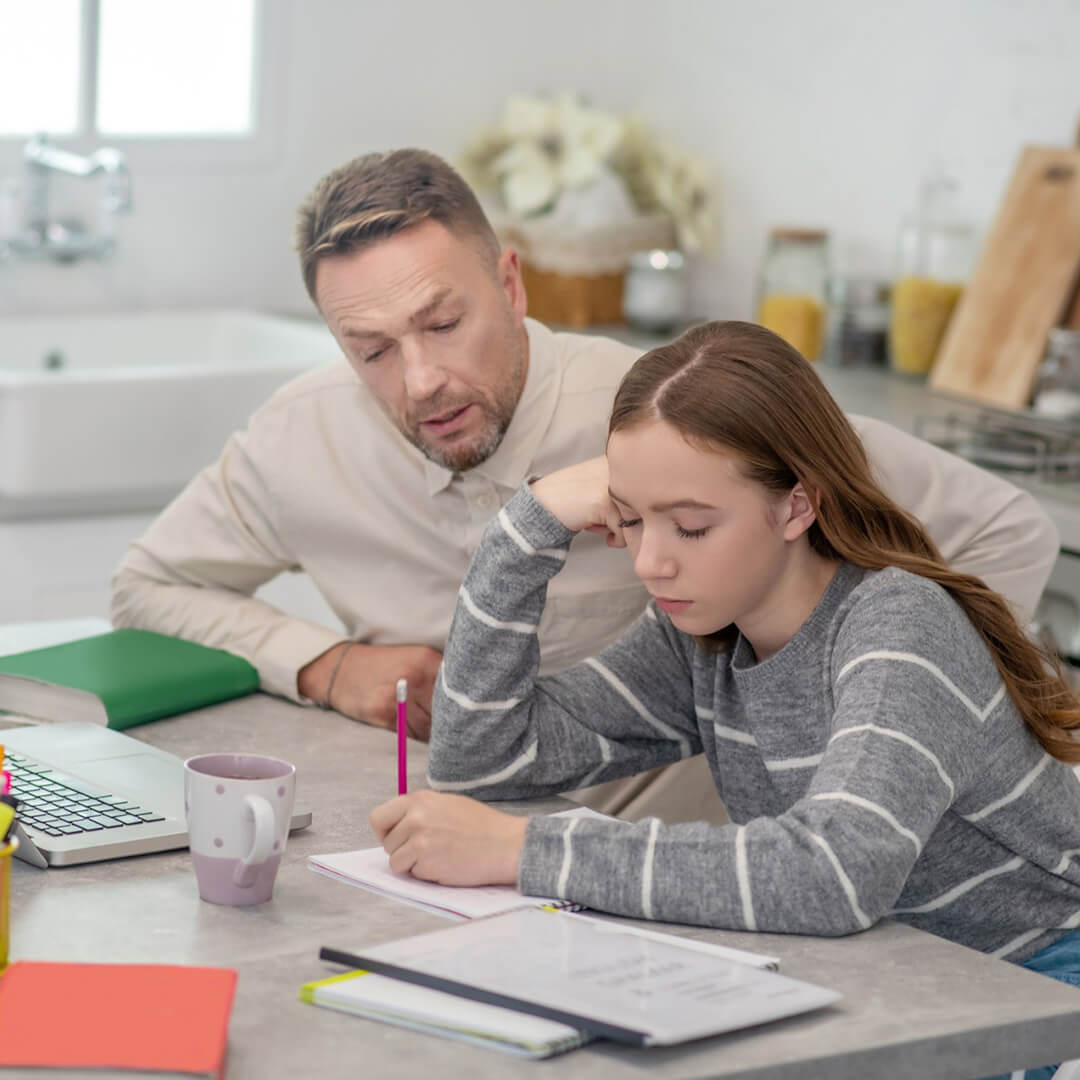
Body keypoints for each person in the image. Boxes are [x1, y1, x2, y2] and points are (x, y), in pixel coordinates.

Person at [111, 149, 1058, 826]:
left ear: (512, 285)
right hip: (458, 836)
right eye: (371, 350)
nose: (420, 381)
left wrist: (865, 749)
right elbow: (146, 587)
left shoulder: (670, 413)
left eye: (444, 323)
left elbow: (1005, 531)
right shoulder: (300, 438)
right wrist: (325, 663)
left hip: (706, 858)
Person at [371, 321, 1080, 1077]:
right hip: (899, 987)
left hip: (1040, 1001)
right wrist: (528, 526)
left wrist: (520, 851)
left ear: (797, 507)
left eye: (693, 526)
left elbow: (834, 874)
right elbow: (483, 759)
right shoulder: (705, 637)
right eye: (633, 520)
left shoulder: (897, 625)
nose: (652, 561)